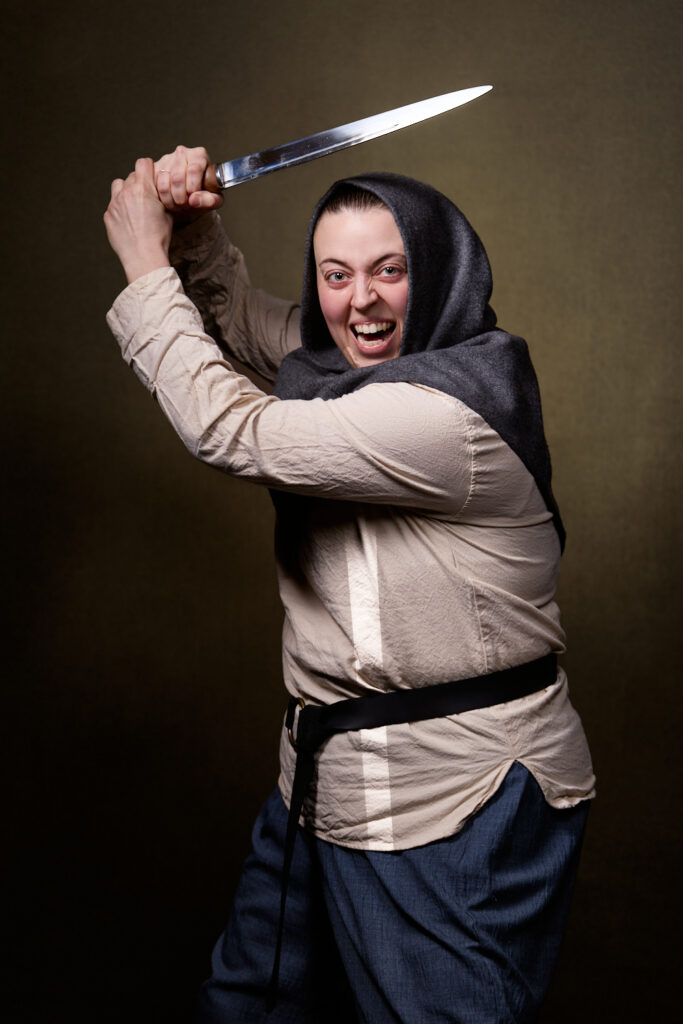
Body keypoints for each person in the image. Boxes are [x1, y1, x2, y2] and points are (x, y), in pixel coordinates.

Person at [104, 146, 595, 1023]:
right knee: (246, 1008)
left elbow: (232, 429)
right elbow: (248, 326)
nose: (359, 301)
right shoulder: (349, 366)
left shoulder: (444, 413)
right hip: (322, 781)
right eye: (335, 275)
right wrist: (194, 231)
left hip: (452, 799)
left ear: (438, 272)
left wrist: (146, 262)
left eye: (388, 271)